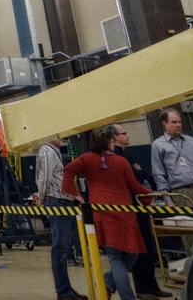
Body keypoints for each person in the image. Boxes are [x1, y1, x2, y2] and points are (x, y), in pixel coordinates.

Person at [64, 126, 154, 300]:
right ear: (110, 141)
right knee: (124, 257)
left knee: (122, 256)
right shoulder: (120, 162)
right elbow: (135, 186)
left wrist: (75, 195)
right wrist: (152, 195)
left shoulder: (87, 159)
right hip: (123, 213)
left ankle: (108, 282)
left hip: (104, 213)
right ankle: (128, 297)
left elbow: (68, 170)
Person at [112, 124, 171, 300]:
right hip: (131, 208)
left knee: (148, 247)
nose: (127, 135)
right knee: (137, 249)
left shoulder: (128, 155)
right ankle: (142, 289)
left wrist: (142, 176)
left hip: (141, 205)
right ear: (114, 137)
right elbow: (135, 177)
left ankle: (151, 286)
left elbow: (142, 174)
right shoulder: (116, 157)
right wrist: (140, 176)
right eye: (123, 133)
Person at [35, 136, 86, 300]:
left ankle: (65, 289)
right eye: (57, 134)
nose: (61, 136)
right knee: (60, 248)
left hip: (62, 200)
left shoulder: (53, 151)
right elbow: (45, 178)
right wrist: (41, 196)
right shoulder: (47, 151)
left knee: (63, 247)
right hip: (56, 201)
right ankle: (63, 291)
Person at [150, 108, 193, 209]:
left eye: (180, 122)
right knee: (191, 219)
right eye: (174, 122)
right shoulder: (158, 145)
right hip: (180, 193)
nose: (178, 125)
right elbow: (158, 174)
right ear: (165, 123)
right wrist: (167, 199)